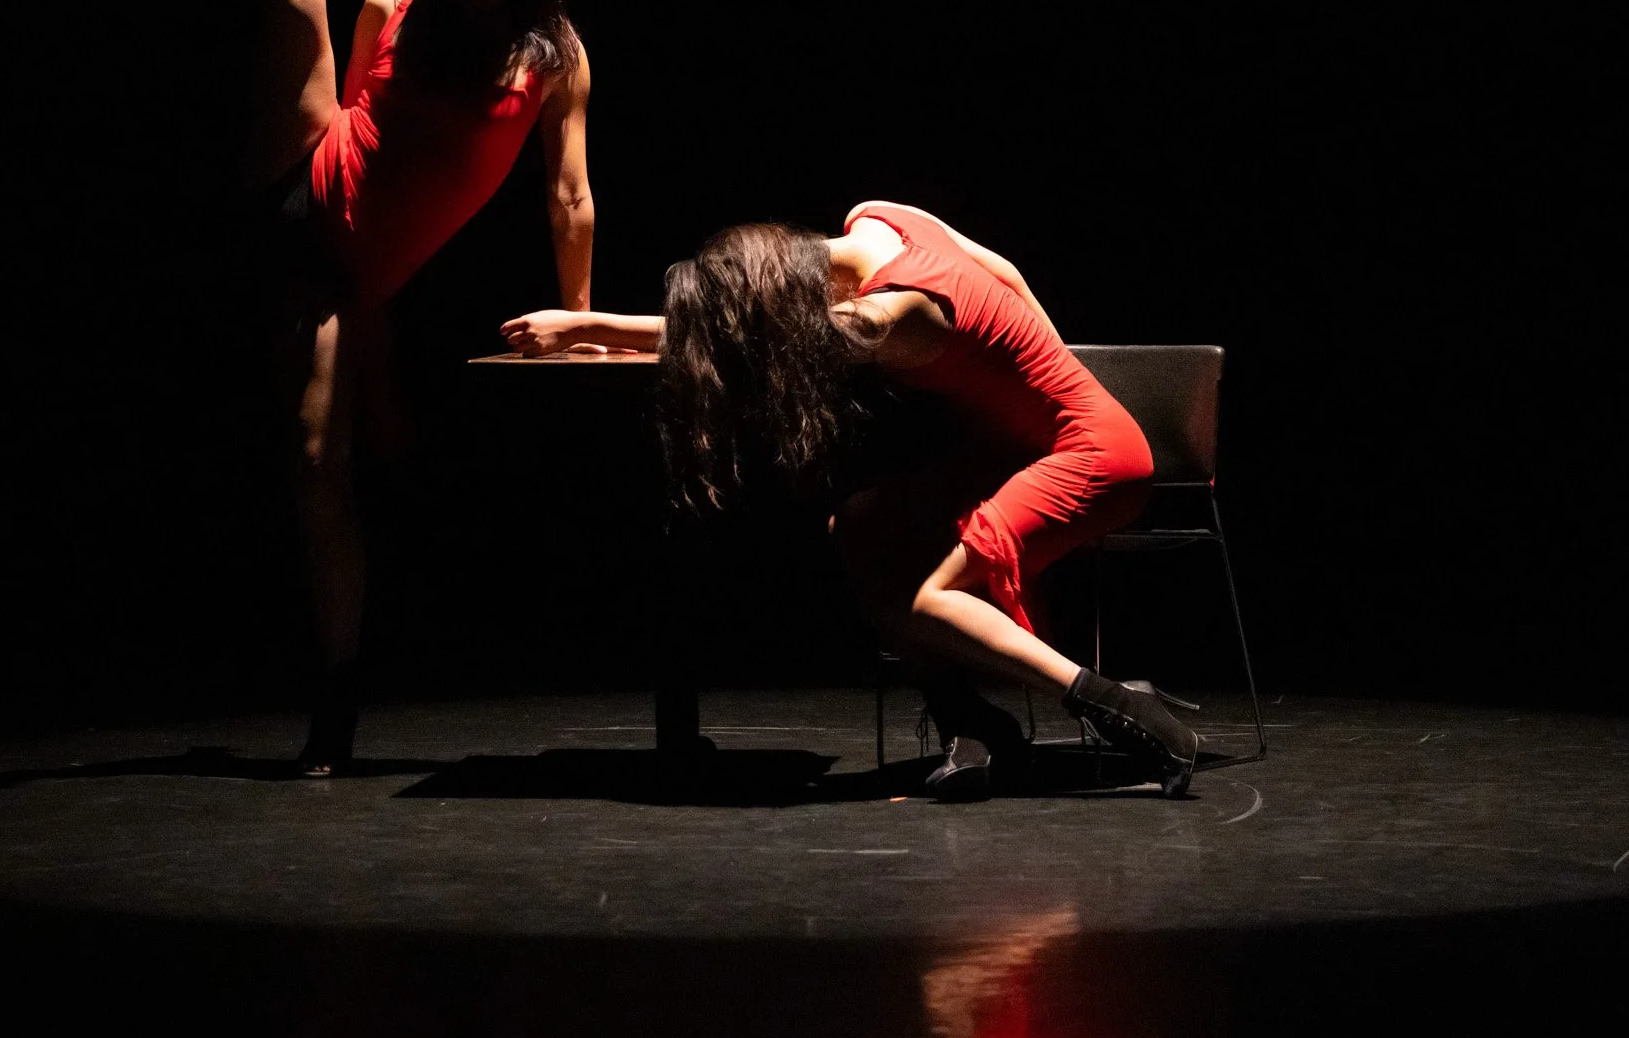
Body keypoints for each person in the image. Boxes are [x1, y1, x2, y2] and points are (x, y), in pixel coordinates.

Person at [502, 202, 1202, 801]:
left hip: (1088, 452)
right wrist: (1048, 368)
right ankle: (973, 723)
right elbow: (1008, 274)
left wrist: (590, 325)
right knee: (859, 525)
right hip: (1012, 448)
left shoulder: (893, 314)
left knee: (931, 597)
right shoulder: (878, 218)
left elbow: (748, 347)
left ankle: (1123, 705)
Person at [243, 0, 596, 775]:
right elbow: (360, 127)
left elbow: (569, 193)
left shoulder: (553, 58)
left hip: (343, 278)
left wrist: (579, 319)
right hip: (309, 192)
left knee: (316, 460)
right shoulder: (392, 5)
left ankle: (334, 705)